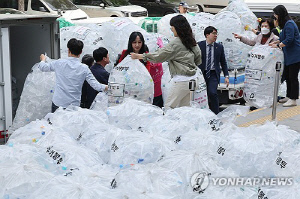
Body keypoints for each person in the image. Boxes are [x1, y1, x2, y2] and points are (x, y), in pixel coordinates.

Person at [131, 15, 201, 109]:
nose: (171, 29)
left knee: (169, 107)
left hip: (181, 80)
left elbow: (159, 56)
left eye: (172, 27)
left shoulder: (176, 43)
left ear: (177, 28)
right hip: (193, 80)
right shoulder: (191, 41)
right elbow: (198, 58)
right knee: (185, 108)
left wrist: (139, 56)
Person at [38, 38, 108, 113]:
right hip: (73, 106)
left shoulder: (59, 63)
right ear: (81, 52)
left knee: (56, 124)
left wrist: (43, 59)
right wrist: (109, 87)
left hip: (58, 103)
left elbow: (43, 67)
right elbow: (96, 86)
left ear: (68, 50)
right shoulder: (84, 68)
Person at [118, 31, 164, 108]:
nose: (137, 45)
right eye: (134, 42)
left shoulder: (145, 55)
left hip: (143, 90)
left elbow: (147, 72)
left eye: (139, 42)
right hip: (129, 89)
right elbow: (120, 69)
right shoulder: (125, 53)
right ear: (130, 43)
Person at [270, 5, 300, 107]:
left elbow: (289, 39)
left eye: (275, 14)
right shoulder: (285, 25)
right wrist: (275, 43)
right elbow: (283, 38)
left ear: (280, 14)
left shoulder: (290, 24)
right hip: (288, 56)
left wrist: (278, 45)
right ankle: (288, 96)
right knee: (287, 76)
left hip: (295, 55)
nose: (274, 16)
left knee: (293, 77)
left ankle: (294, 99)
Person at [198, 26, 229, 114]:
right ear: (207, 35)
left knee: (212, 92)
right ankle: (203, 113)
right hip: (202, 73)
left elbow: (223, 62)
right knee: (202, 94)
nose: (216, 36)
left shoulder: (219, 47)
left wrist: (226, 76)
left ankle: (216, 114)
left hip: (213, 74)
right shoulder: (199, 45)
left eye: (216, 34)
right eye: (214, 33)